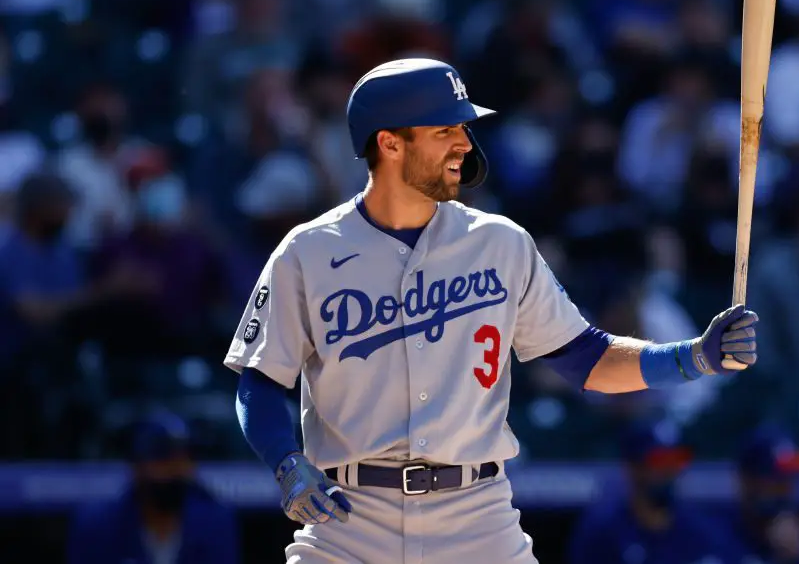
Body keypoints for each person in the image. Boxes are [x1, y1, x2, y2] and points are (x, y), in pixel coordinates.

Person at [224, 58, 759, 563]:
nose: (464, 143)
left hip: (477, 518)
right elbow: (262, 380)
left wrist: (693, 358)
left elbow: (586, 359)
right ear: (388, 143)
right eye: (444, 131)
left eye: (462, 128)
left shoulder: (501, 243)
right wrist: (285, 461)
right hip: (350, 520)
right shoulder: (307, 251)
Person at [66, 409, 239, 564]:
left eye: (185, 458)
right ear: (137, 466)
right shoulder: (98, 525)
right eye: (164, 458)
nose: (177, 468)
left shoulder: (215, 522)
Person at [567, 421, 734, 564]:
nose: (669, 469)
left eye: (677, 459)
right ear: (632, 467)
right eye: (659, 460)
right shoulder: (603, 533)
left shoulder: (703, 532)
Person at [704, 424, 799, 564]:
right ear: (746, 480)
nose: (787, 488)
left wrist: (798, 559)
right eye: (777, 480)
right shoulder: (711, 535)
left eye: (791, 478)